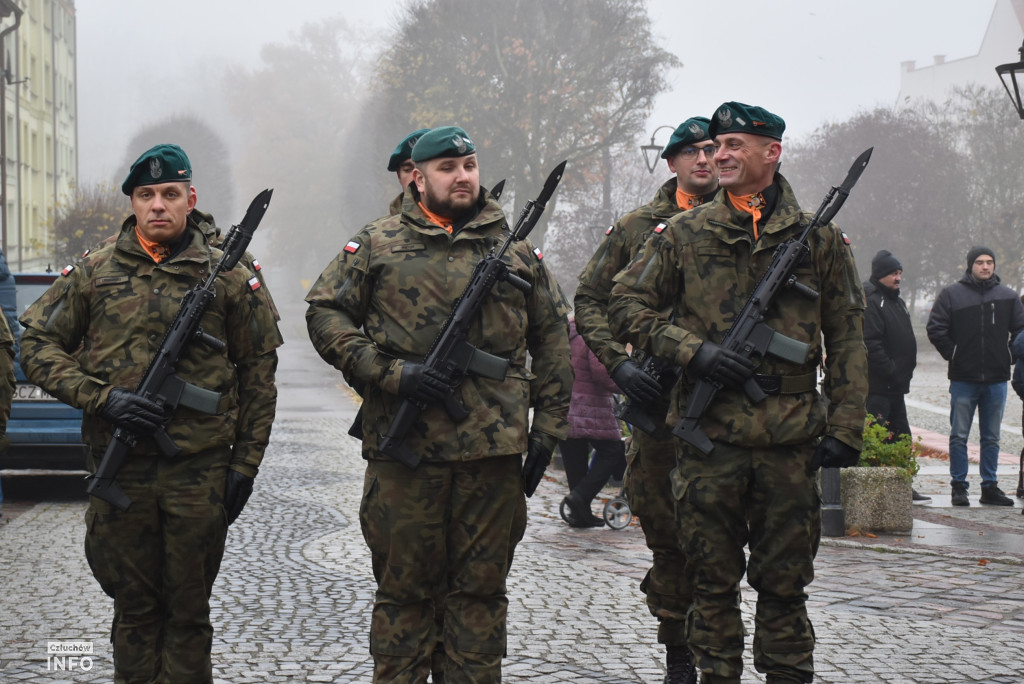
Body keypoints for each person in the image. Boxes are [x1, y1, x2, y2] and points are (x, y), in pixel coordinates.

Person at [607, 101, 868, 684]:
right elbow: (624, 305)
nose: (718, 155)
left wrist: (848, 426)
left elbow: (848, 335)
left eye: (734, 146)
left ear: (772, 153)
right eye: (715, 146)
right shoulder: (681, 233)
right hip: (709, 444)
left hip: (790, 441)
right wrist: (693, 352)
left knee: (785, 587)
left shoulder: (818, 240)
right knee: (709, 585)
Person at [305, 126, 572, 683]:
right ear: (418, 177)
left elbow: (552, 340)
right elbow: (326, 315)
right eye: (448, 167)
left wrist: (547, 430)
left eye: (470, 164)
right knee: (404, 595)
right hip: (406, 457)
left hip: (492, 457)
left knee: (479, 596)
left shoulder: (516, 252)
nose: (462, 175)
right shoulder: (377, 242)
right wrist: (392, 374)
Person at [18, 144, 282, 681]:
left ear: (191, 198)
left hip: (198, 471)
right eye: (146, 195)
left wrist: (244, 468)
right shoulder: (94, 271)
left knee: (187, 614)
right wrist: (102, 397)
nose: (158, 205)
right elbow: (37, 345)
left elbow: (258, 375)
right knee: (135, 612)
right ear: (133, 203)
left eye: (169, 193)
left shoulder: (230, 273)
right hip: (123, 471)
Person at [575, 115, 719, 683]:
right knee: (667, 534)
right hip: (660, 406)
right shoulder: (639, 227)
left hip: (726, 409)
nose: (705, 159)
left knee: (723, 539)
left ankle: (720, 651)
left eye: (713, 149)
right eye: (692, 151)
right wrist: (620, 362)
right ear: (673, 162)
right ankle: (678, 653)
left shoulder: (750, 222)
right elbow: (590, 300)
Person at [926, 246, 1024, 507]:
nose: (985, 266)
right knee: (959, 435)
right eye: (980, 262)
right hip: (963, 379)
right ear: (970, 265)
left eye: (989, 262)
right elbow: (936, 328)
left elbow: (1021, 330)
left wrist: (1009, 356)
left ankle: (989, 486)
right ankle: (959, 486)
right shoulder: (951, 295)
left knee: (991, 437)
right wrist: (954, 354)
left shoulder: (1008, 296)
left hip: (996, 379)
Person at [862, 250, 930, 503]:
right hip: (879, 386)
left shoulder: (896, 300)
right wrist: (891, 370)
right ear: (881, 275)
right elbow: (872, 342)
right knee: (879, 435)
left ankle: (902, 485)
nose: (898, 278)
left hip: (896, 386)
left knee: (902, 436)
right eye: (893, 273)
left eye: (900, 273)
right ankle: (876, 488)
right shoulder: (872, 299)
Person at [560, 317, 627, 528]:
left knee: (575, 458)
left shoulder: (567, 330)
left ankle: (580, 514)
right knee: (613, 451)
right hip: (589, 406)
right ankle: (580, 498)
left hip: (563, 404)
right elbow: (602, 374)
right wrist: (628, 381)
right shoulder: (597, 332)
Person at [388, 128, 431, 215]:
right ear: (399, 176)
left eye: (424, 167)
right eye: (408, 170)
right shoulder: (382, 228)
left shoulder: (464, 225)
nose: (416, 177)